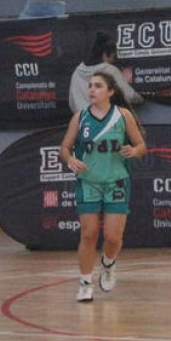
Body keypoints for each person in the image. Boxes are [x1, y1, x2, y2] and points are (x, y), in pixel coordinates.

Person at [58, 71, 147, 303]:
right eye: (90, 86)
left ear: (110, 91)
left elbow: (141, 145)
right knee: (88, 233)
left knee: (113, 237)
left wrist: (134, 151)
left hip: (116, 181)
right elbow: (64, 148)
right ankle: (85, 283)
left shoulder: (123, 115)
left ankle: (108, 264)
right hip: (88, 181)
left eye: (98, 86)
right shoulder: (80, 117)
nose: (92, 90)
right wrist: (70, 160)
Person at [69, 30, 143, 114]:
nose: (113, 61)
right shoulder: (109, 70)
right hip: (106, 122)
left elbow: (72, 104)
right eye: (113, 57)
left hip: (84, 122)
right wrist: (141, 98)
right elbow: (129, 96)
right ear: (104, 54)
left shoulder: (77, 73)